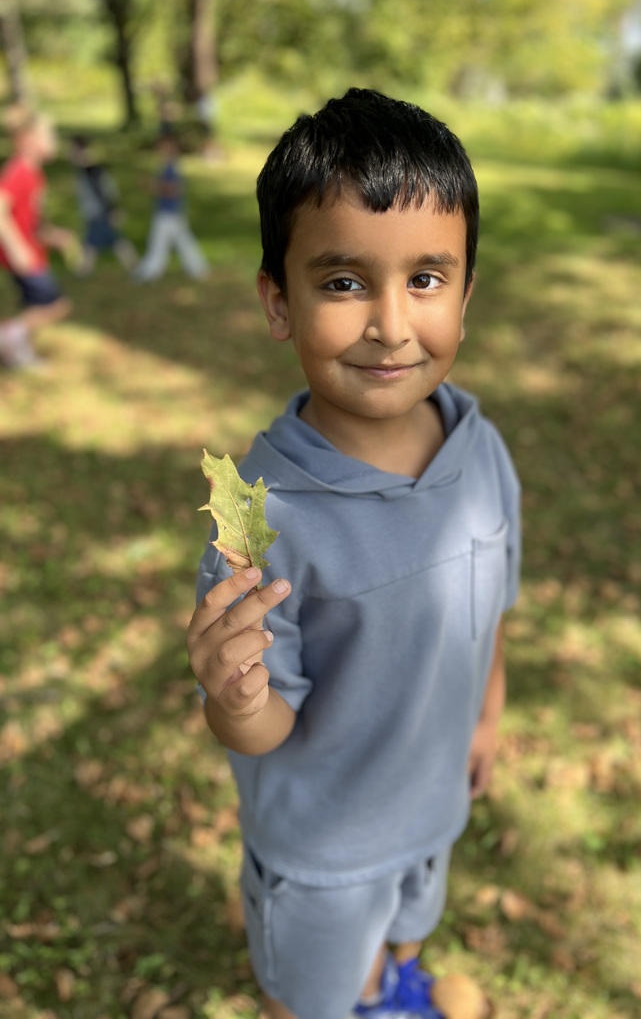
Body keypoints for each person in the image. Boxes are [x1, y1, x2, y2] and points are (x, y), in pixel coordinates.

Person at [187, 88, 521, 1019]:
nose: (390, 322)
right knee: (317, 996)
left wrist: (486, 718)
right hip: (325, 849)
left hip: (431, 807)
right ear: (278, 301)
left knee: (409, 933)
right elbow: (262, 728)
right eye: (342, 282)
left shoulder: (480, 450)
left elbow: (493, 607)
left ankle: (392, 981)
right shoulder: (264, 520)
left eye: (426, 278)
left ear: (464, 293)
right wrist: (233, 693)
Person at [0, 105, 75, 369]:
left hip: (32, 252)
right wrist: (17, 247)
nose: (53, 142)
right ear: (27, 140)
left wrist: (53, 236)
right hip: (23, 256)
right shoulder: (19, 171)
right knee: (56, 306)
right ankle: (8, 336)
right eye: (49, 136)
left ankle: (19, 352)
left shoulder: (35, 174)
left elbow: (31, 222)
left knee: (36, 307)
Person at [133, 131, 208, 282]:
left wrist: (152, 185)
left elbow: (173, 189)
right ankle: (198, 268)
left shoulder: (171, 168)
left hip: (168, 213)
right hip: (171, 212)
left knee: (159, 243)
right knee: (183, 241)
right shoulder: (169, 166)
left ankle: (150, 271)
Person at [70, 134, 137, 276]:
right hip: (95, 212)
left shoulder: (90, 170)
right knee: (107, 240)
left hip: (98, 212)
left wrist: (112, 209)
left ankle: (85, 269)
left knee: (102, 240)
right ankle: (132, 264)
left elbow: (103, 191)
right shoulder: (84, 169)